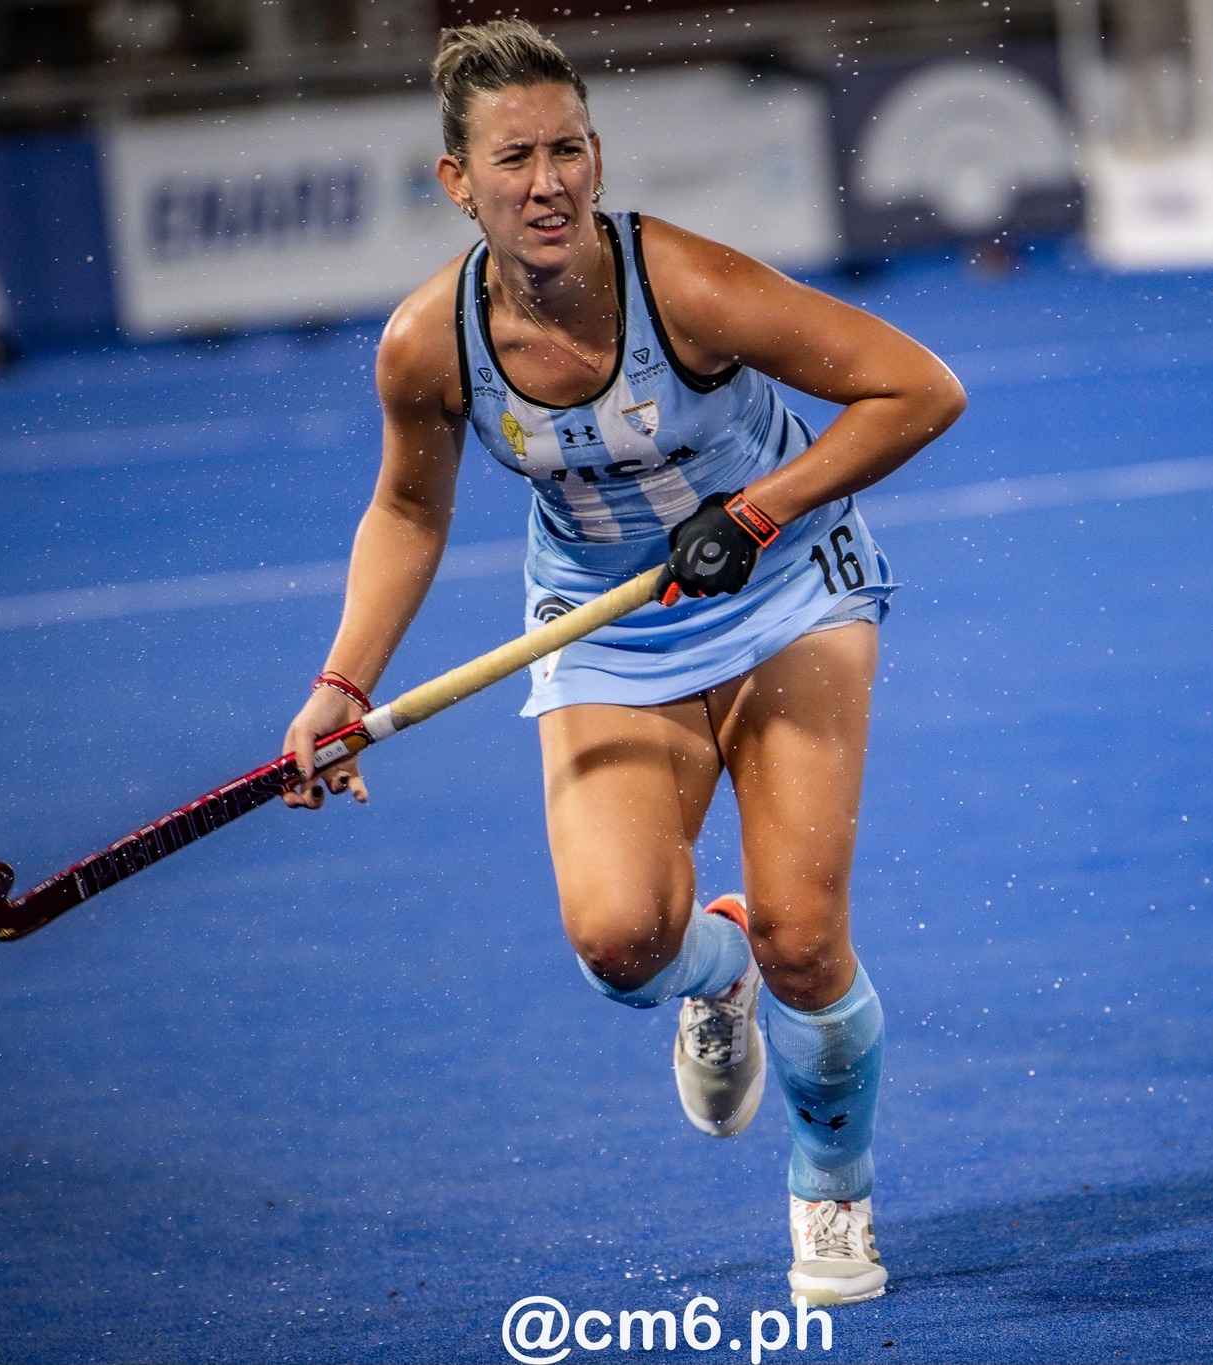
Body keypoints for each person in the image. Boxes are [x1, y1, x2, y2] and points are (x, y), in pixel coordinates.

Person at [280, 18, 964, 1305]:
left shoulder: (685, 287)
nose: (546, 183)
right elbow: (409, 512)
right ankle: (720, 976)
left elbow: (916, 390)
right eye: (512, 160)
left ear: (596, 157)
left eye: (567, 151)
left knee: (807, 942)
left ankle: (830, 1194)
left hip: (785, 591)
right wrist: (343, 682)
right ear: (456, 181)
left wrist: (757, 510)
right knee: (618, 941)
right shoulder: (426, 347)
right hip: (604, 626)